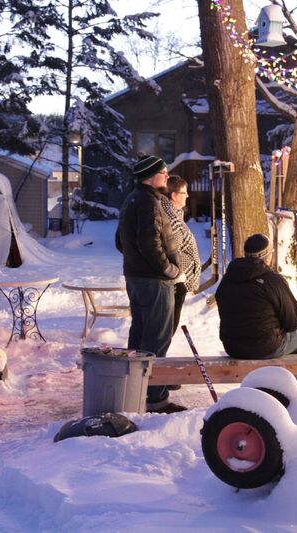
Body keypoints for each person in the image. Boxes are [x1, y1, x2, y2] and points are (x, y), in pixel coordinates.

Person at [115, 154, 186, 414]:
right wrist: (169, 269)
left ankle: (135, 389)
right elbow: (150, 243)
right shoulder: (148, 202)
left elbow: (120, 241)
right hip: (154, 282)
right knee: (157, 337)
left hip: (136, 278)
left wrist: (136, 263)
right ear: (151, 175)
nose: (167, 176)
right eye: (164, 172)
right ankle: (155, 398)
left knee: (140, 335)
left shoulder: (131, 200)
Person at [215, 233, 297, 359]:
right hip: (266, 347)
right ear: (266, 256)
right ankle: (295, 378)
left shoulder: (227, 279)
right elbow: (292, 322)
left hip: (232, 347)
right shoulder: (272, 280)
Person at [160, 175, 201, 333]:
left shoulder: (176, 215)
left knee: (169, 328)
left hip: (179, 280)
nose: (188, 196)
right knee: (167, 329)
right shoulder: (170, 219)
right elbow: (172, 251)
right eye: (184, 193)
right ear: (174, 196)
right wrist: (181, 272)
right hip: (176, 282)